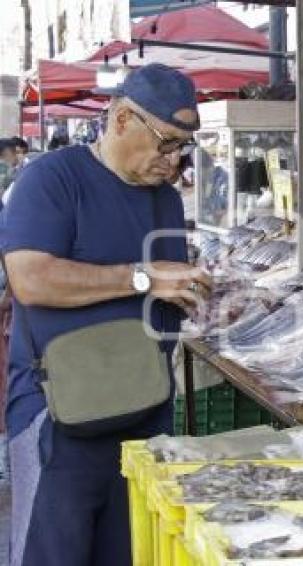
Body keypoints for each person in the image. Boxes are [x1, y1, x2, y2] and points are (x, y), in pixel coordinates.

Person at [1, 63, 211, 566]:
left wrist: (190, 289)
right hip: (61, 419)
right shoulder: (51, 179)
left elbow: (162, 285)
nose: (175, 159)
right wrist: (142, 277)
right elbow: (31, 279)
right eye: (166, 142)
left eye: (185, 147)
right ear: (121, 120)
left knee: (129, 553)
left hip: (141, 416)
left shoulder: (164, 199)